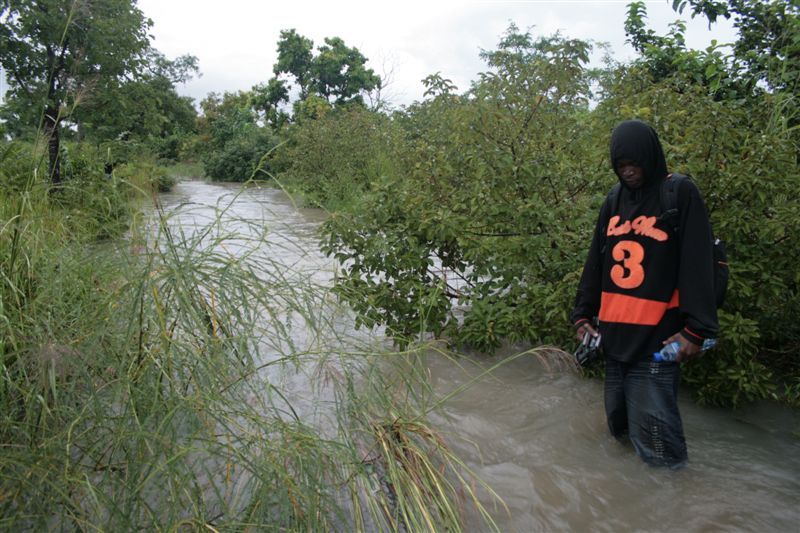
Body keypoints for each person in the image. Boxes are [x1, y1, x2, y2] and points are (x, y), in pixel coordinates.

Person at [570, 119, 718, 469]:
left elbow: (699, 263)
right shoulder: (613, 200)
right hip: (615, 339)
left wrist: (697, 330)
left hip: (658, 343)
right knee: (619, 433)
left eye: (634, 164)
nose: (629, 172)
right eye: (621, 166)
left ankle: (673, 511)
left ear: (650, 159)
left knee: (660, 451)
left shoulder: (678, 193)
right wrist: (582, 314)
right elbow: (596, 261)